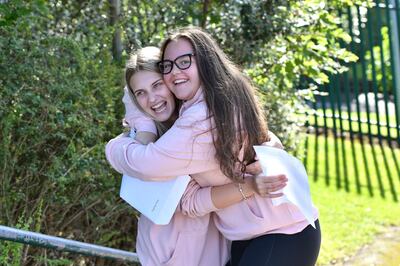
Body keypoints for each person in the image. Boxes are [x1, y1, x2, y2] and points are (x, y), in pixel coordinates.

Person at [107, 27, 321, 266]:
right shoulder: (195, 112)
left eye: (184, 62)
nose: (175, 72)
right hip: (245, 236)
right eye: (168, 66)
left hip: (282, 231)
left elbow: (147, 164)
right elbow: (190, 200)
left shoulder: (199, 118)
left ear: (205, 62)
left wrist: (113, 148)